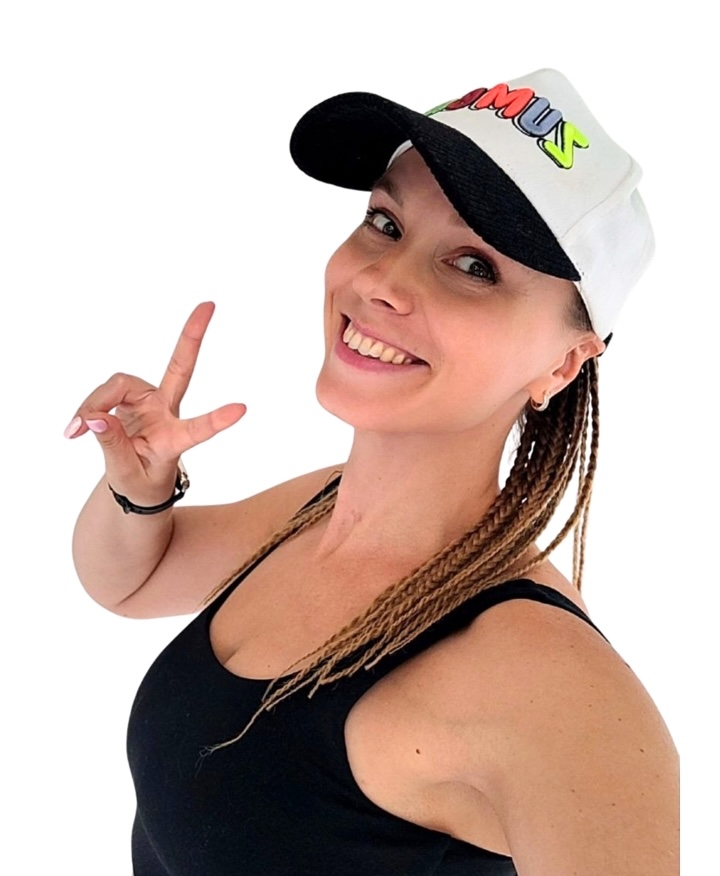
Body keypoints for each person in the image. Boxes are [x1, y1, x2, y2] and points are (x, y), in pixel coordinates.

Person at [67, 69, 678, 875]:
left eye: (474, 266)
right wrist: (137, 490)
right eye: (386, 222)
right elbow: (128, 584)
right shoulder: (317, 509)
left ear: (564, 363)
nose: (382, 282)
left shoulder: (558, 690)